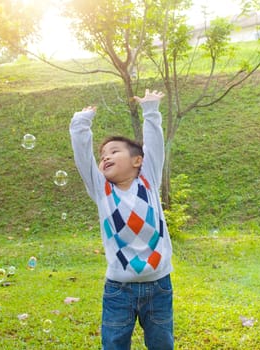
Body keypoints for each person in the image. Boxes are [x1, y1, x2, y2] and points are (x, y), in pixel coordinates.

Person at [69, 89, 174, 350]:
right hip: (118, 289)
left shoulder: (148, 180)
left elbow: (155, 145)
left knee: (162, 344)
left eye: (114, 151)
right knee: (114, 345)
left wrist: (151, 110)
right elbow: (83, 158)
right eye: (103, 154)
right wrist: (81, 124)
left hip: (159, 285)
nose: (105, 156)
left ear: (138, 161)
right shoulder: (102, 190)